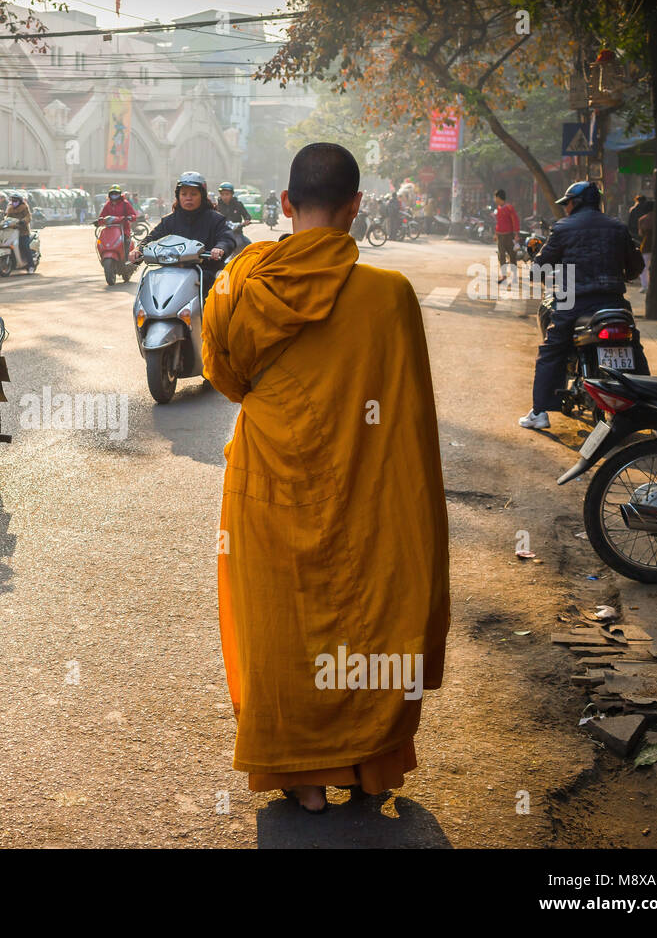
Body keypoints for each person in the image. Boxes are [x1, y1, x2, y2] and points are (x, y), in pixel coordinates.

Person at [201, 142, 449, 812]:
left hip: (269, 477)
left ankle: (298, 774)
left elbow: (225, 378)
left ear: (285, 203)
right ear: (356, 206)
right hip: (364, 485)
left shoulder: (239, 284)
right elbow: (409, 417)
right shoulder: (390, 296)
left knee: (281, 620)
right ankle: (369, 763)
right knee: (369, 608)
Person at [519, 181, 649, 430]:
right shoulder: (617, 227)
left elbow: (541, 266)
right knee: (634, 346)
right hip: (614, 302)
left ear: (575, 203)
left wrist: (538, 269)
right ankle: (648, 406)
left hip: (574, 302)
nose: (565, 208)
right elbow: (636, 266)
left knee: (552, 350)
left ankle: (540, 412)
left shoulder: (564, 228)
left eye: (566, 202)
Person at [130, 171, 236, 297]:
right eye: (184, 194)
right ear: (178, 196)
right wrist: (139, 249)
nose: (188, 198)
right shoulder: (169, 220)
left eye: (193, 194)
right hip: (172, 271)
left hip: (206, 271)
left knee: (222, 293)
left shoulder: (215, 219)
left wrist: (220, 248)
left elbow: (227, 238)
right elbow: (152, 237)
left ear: (202, 196)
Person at [493, 189, 520, 281]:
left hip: (509, 236)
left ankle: (514, 275)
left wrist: (516, 234)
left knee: (512, 255)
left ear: (499, 197)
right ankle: (503, 275)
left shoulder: (509, 208)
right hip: (500, 236)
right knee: (501, 256)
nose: (495, 199)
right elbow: (498, 223)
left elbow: (515, 221)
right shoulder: (498, 208)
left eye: (495, 197)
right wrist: (496, 234)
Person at [4, 192, 34, 271]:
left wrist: (23, 221)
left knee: (25, 247)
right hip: (12, 231)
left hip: (23, 232)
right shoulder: (9, 208)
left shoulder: (24, 207)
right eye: (13, 201)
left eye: (16, 201)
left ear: (20, 201)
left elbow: (28, 217)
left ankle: (31, 266)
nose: (14, 202)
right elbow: (6, 218)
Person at [637, 206, 654, 292]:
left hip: (646, 244)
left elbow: (640, 233)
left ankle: (645, 286)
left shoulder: (642, 219)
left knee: (643, 267)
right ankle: (655, 286)